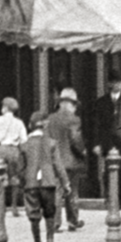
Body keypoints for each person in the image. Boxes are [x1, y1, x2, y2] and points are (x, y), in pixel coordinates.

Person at [19, 110, 71, 242]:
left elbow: (20, 168)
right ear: (44, 127)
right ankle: (50, 241)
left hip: (31, 184)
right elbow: (58, 165)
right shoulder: (51, 143)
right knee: (50, 213)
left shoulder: (24, 146)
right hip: (48, 182)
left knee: (34, 216)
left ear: (30, 126)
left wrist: (23, 181)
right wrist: (65, 183)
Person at [92, 68, 121, 207]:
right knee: (108, 170)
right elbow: (97, 124)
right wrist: (96, 143)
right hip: (107, 141)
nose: (117, 85)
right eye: (114, 82)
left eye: (120, 82)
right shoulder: (101, 102)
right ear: (109, 83)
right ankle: (109, 196)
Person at [46, 88, 86, 231]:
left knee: (56, 191)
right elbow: (75, 139)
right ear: (71, 104)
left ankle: (55, 222)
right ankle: (73, 220)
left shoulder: (50, 119)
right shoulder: (74, 119)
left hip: (54, 161)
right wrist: (83, 151)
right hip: (70, 161)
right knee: (72, 191)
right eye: (75, 104)